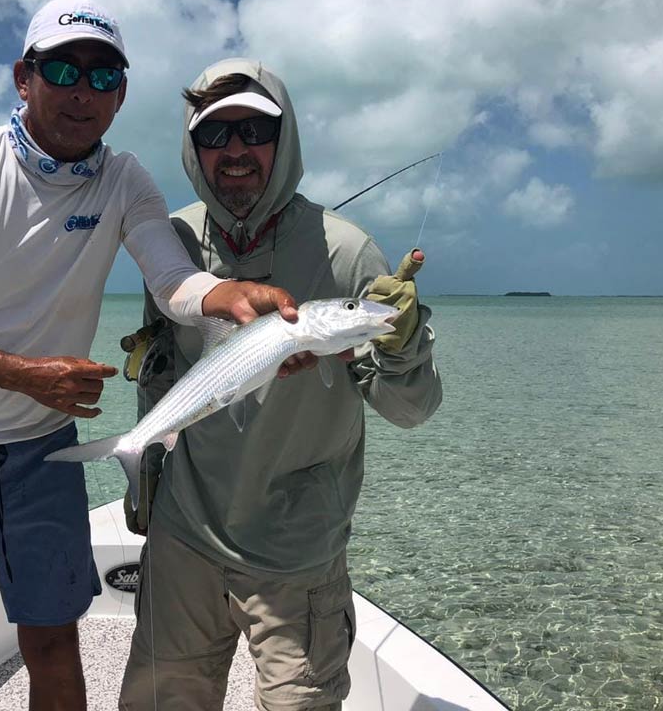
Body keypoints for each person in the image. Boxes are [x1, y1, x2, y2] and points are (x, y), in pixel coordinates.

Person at [0, 0, 303, 711]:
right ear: (23, 79)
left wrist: (229, 297)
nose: (81, 90)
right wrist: (16, 373)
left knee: (56, 643)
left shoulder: (123, 181)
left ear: (120, 95)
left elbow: (174, 279)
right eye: (62, 69)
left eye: (102, 74)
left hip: (42, 448)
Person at [118, 59, 443, 710]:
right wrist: (146, 477)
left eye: (255, 130)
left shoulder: (347, 253)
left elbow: (410, 411)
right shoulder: (173, 240)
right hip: (185, 536)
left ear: (284, 137)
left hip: (295, 549)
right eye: (215, 135)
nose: (235, 150)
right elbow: (159, 372)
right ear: (193, 148)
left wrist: (402, 346)